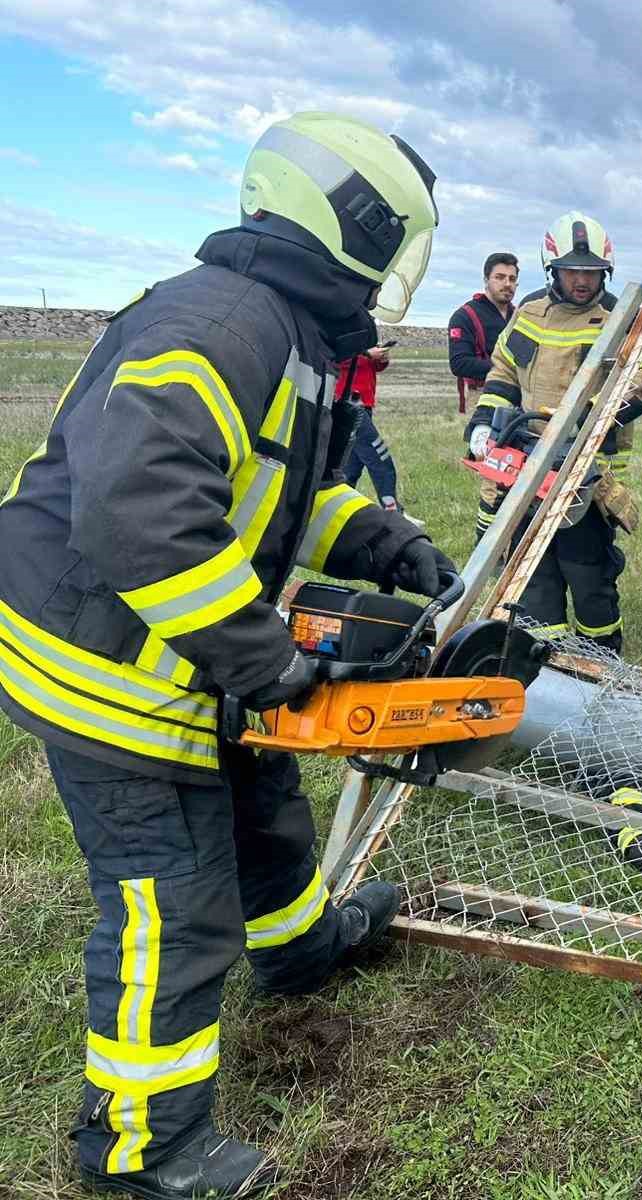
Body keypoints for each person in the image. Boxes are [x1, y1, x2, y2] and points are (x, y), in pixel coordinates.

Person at [0, 112, 457, 1199]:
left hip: (176, 653)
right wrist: (267, 661)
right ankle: (139, 1151)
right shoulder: (225, 323)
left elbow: (275, 496)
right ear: (351, 223)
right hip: (102, 664)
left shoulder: (284, 330)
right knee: (172, 898)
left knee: (262, 802)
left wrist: (394, 544)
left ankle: (301, 948)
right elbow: (139, 517)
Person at [466, 211, 642, 654]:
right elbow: (503, 374)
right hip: (528, 472)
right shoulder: (531, 312)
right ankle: (545, 666)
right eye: (573, 270)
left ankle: (602, 665)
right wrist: (481, 424)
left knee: (589, 579)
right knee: (533, 580)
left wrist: (583, 417)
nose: (583, 281)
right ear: (553, 267)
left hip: (585, 480)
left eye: (592, 272)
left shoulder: (618, 317)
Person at [448, 252, 518, 415]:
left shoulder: (520, 316)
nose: (507, 283)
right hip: (482, 396)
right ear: (486, 280)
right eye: (499, 277)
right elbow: (459, 363)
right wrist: (507, 369)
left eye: (512, 279)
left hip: (519, 395)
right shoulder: (464, 316)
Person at [336, 341, 403, 512]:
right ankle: (394, 513)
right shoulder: (338, 326)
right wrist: (366, 353)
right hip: (348, 402)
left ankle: (338, 512)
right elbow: (335, 357)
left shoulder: (361, 330)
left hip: (364, 403)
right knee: (380, 459)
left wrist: (380, 359)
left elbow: (370, 366)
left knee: (349, 470)